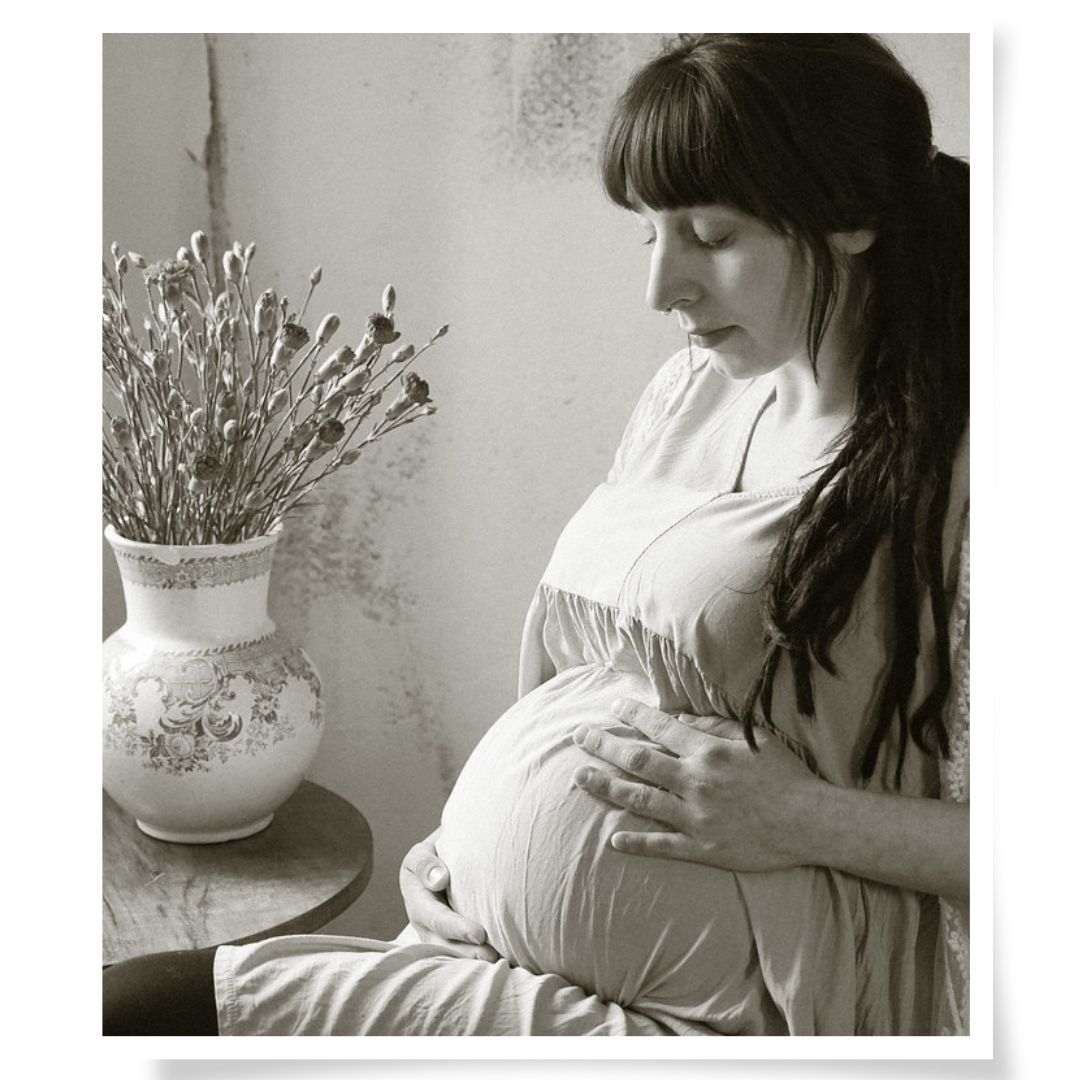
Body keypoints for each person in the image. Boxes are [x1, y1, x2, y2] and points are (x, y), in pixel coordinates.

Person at [104, 32, 970, 1036]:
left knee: (136, 1014)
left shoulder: (964, 473)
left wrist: (799, 818)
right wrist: (452, 851)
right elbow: (587, 682)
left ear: (852, 215)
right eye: (649, 234)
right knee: (126, 1013)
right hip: (502, 941)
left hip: (730, 1011)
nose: (664, 288)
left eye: (711, 233)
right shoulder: (693, 393)